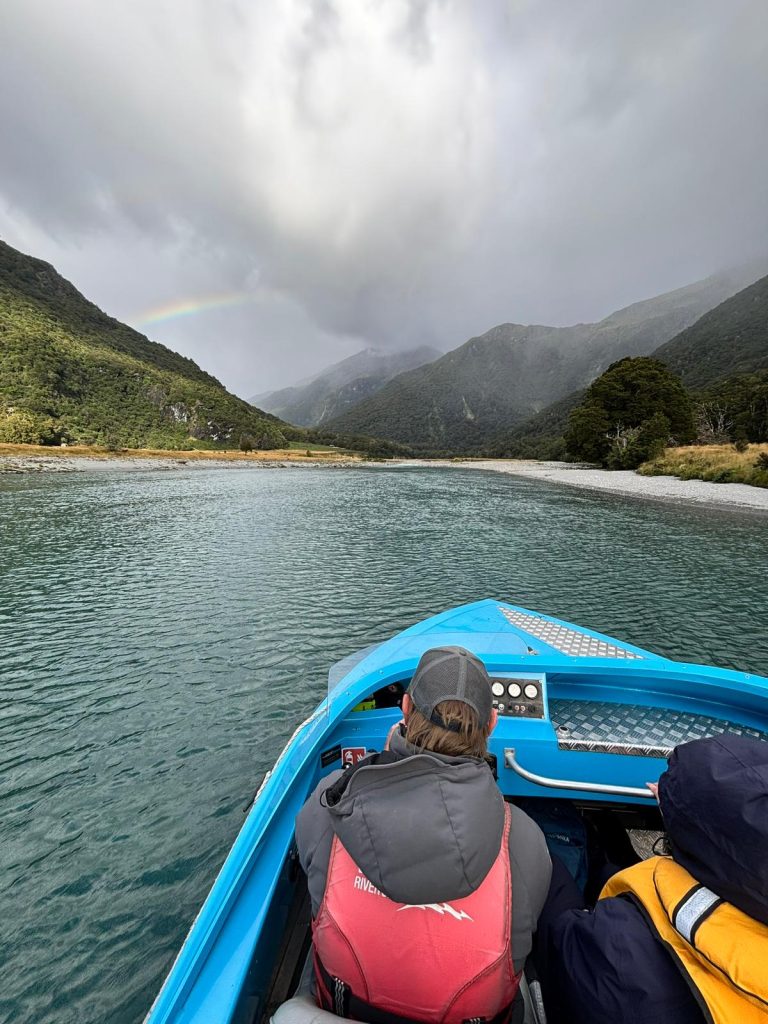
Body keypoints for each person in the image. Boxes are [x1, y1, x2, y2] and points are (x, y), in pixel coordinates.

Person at [296, 645, 552, 1024]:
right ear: (492, 724)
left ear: (404, 708)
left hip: (341, 1007)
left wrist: (380, 767)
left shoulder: (331, 802)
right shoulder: (524, 840)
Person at [538, 734, 768, 1024]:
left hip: (603, 977)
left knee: (548, 852)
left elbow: (561, 947)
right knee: (607, 857)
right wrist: (681, 818)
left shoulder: (619, 949)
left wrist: (533, 844)